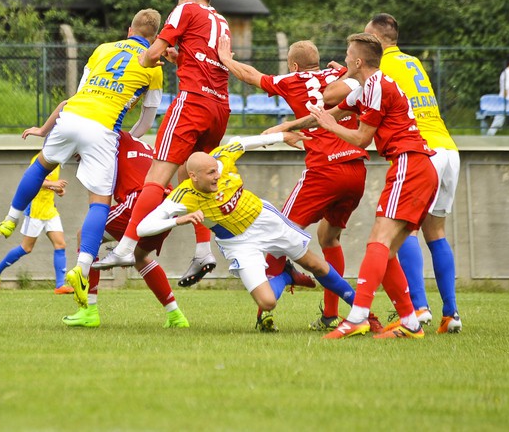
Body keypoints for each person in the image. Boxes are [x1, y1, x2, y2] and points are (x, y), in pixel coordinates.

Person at [268, 33, 438, 339]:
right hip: (417, 167)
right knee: (385, 252)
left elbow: (361, 138)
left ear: (358, 61)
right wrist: (283, 129)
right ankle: (409, 320)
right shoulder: (370, 86)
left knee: (377, 242)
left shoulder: (374, 86)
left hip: (409, 165)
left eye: (348, 56)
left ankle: (358, 315)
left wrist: (332, 128)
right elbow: (324, 116)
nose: (343, 60)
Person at [0, 8, 164, 310]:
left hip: (72, 115)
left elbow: (77, 94)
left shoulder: (102, 49)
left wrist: (48, 128)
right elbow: (147, 121)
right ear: (155, 38)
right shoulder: (154, 66)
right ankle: (83, 267)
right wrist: (126, 138)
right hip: (103, 128)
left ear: (129, 29)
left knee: (41, 165)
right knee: (100, 201)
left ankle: (10, 218)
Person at [135, 133, 364, 333]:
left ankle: (363, 313)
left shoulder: (221, 159)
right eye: (210, 173)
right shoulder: (183, 196)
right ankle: (285, 275)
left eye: (216, 170)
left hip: (264, 220)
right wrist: (179, 220)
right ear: (194, 177)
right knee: (267, 302)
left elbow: (243, 143)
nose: (217, 175)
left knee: (316, 265)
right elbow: (142, 228)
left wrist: (283, 137)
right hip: (238, 243)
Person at [217, 36, 369, 331]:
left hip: (325, 169)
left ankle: (266, 314)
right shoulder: (339, 74)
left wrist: (226, 59)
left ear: (294, 65)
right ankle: (330, 315)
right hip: (356, 168)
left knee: (278, 235)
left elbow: (252, 76)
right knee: (329, 239)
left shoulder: (291, 79)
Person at [92, 0, 232, 287]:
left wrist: (151, 57)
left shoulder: (185, 8)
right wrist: (178, 58)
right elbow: (209, 64)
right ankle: (203, 251)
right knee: (191, 176)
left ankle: (126, 247)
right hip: (219, 107)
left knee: (157, 177)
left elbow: (149, 55)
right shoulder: (221, 22)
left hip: (192, 103)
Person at [365, 13, 462, 334]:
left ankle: (417, 308)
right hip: (448, 148)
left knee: (402, 230)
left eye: (367, 39)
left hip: (421, 151)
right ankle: (451, 313)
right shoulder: (413, 62)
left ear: (378, 40)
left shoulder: (382, 67)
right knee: (437, 233)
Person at [63, 131, 187, 328]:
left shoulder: (103, 141)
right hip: (167, 205)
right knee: (139, 257)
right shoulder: (133, 141)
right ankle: (176, 315)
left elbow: (99, 197)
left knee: (85, 235)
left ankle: (89, 311)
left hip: (137, 202)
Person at [0, 154, 71, 294]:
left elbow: (48, 185)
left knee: (60, 244)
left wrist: (59, 190)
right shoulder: (39, 158)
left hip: (50, 210)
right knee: (26, 248)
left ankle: (60, 286)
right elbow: (33, 181)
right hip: (35, 211)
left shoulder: (57, 162)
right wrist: (53, 184)